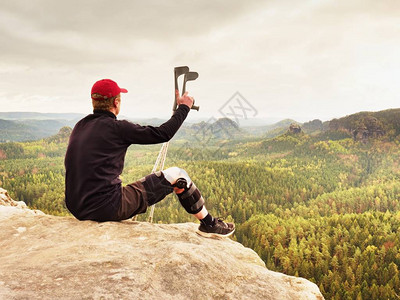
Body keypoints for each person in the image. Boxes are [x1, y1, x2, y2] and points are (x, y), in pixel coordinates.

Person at [64, 79, 235, 237]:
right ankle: (209, 224)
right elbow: (163, 134)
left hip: (77, 206)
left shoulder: (80, 125)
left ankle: (209, 224)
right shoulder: (117, 128)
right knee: (178, 175)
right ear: (116, 103)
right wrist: (184, 108)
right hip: (107, 207)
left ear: (94, 102)